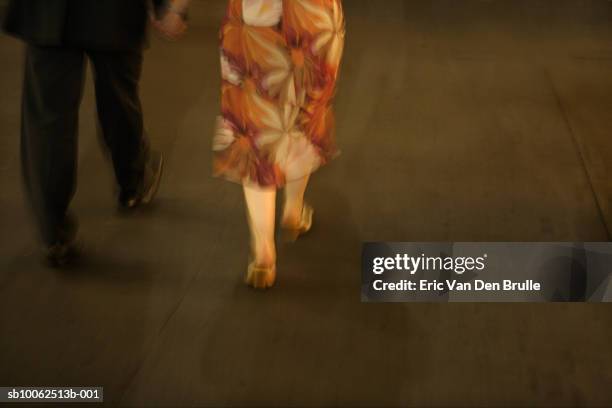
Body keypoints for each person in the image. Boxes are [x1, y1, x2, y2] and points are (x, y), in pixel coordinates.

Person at [2, 0, 188, 267]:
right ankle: (132, 183)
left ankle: (53, 232)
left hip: (49, 12)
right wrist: (167, 6)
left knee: (48, 117)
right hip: (113, 10)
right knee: (119, 99)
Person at [213, 0, 345, 289]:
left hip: (252, 15)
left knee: (255, 130)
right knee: (303, 118)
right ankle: (293, 212)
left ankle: (263, 254)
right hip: (313, 15)